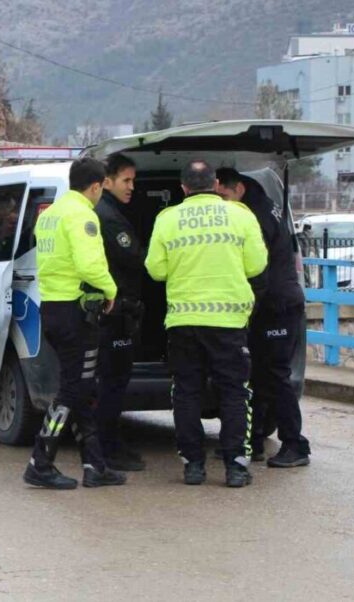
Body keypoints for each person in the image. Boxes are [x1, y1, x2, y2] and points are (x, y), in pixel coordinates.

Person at [145, 160, 267, 488]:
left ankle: (193, 466)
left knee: (186, 392)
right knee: (234, 392)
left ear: (183, 188)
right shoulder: (241, 215)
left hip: (183, 321)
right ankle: (236, 466)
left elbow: (155, 270)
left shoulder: (167, 219)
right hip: (229, 321)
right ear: (215, 184)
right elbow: (257, 265)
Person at [22, 157, 126, 490]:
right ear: (96, 187)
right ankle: (40, 461)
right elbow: (89, 264)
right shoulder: (82, 215)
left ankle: (94, 465)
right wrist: (111, 290)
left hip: (51, 307)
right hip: (76, 314)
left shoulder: (50, 214)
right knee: (72, 390)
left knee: (81, 388)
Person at [216, 169, 310, 468]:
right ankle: (253, 439)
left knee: (274, 375)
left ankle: (295, 444)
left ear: (238, 188)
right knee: (256, 374)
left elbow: (253, 265)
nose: (222, 203)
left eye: (224, 196)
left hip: (277, 306)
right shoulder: (261, 203)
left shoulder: (255, 216)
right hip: (270, 305)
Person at [93, 153, 146, 471]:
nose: (132, 187)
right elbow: (133, 257)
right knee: (111, 383)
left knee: (113, 382)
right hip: (113, 313)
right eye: (127, 180)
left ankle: (111, 443)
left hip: (116, 311)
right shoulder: (107, 216)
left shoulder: (109, 211)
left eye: (134, 181)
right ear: (107, 181)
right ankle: (107, 448)